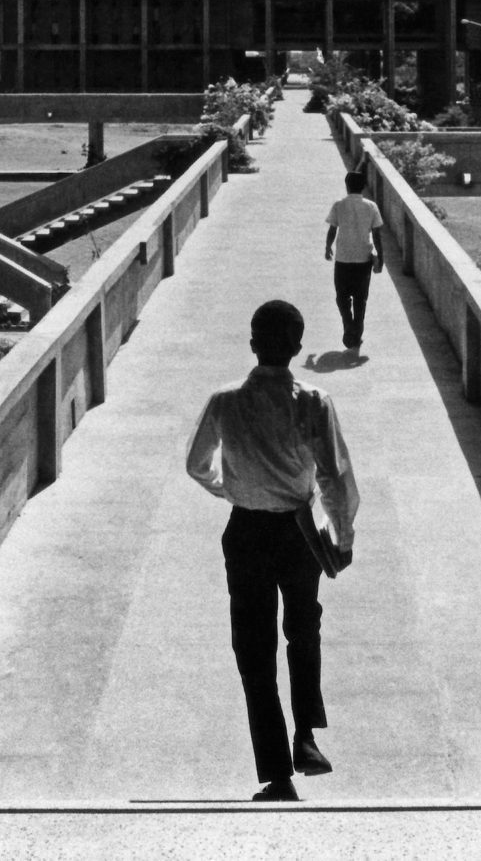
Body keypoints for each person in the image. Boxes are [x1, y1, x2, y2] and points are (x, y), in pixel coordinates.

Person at [186, 300, 360, 803]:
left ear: (253, 343)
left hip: (245, 533)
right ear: (298, 347)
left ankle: (276, 772)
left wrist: (232, 489)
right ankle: (306, 735)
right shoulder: (314, 400)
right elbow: (335, 478)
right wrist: (342, 539)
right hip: (299, 533)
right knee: (303, 630)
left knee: (254, 649)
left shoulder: (224, 401)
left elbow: (197, 465)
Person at [324, 171, 384, 351]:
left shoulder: (339, 205)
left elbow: (332, 229)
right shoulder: (371, 206)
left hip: (343, 259)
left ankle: (348, 325)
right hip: (363, 259)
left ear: (347, 185)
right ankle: (356, 332)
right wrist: (381, 257)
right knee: (360, 299)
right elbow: (377, 234)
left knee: (342, 297)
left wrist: (328, 247)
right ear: (364, 186)